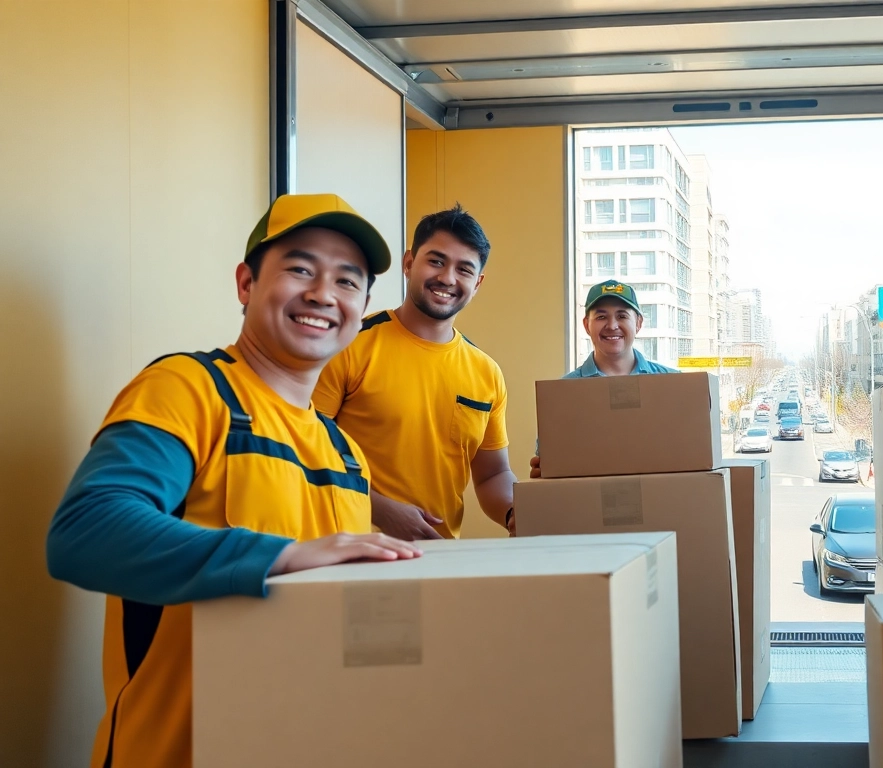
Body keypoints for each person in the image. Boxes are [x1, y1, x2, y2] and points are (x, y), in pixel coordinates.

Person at [46, 193, 422, 768]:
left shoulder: (346, 454)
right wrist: (280, 556)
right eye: (300, 269)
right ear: (246, 283)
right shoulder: (188, 389)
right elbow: (86, 532)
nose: (323, 294)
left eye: (348, 282)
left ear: (363, 305)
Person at [314, 204, 517, 540]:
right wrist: (379, 510)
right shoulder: (348, 344)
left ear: (478, 282)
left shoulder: (486, 372)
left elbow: (492, 475)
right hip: (349, 554)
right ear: (409, 264)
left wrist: (515, 513)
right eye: (436, 261)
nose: (448, 278)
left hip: (438, 559)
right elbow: (302, 449)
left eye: (464, 269)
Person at [528, 279, 677, 478]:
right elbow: (549, 462)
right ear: (586, 325)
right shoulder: (564, 393)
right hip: (586, 504)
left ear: (639, 323)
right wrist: (546, 470)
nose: (612, 325)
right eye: (601, 316)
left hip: (661, 501)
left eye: (622, 316)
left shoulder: (672, 384)